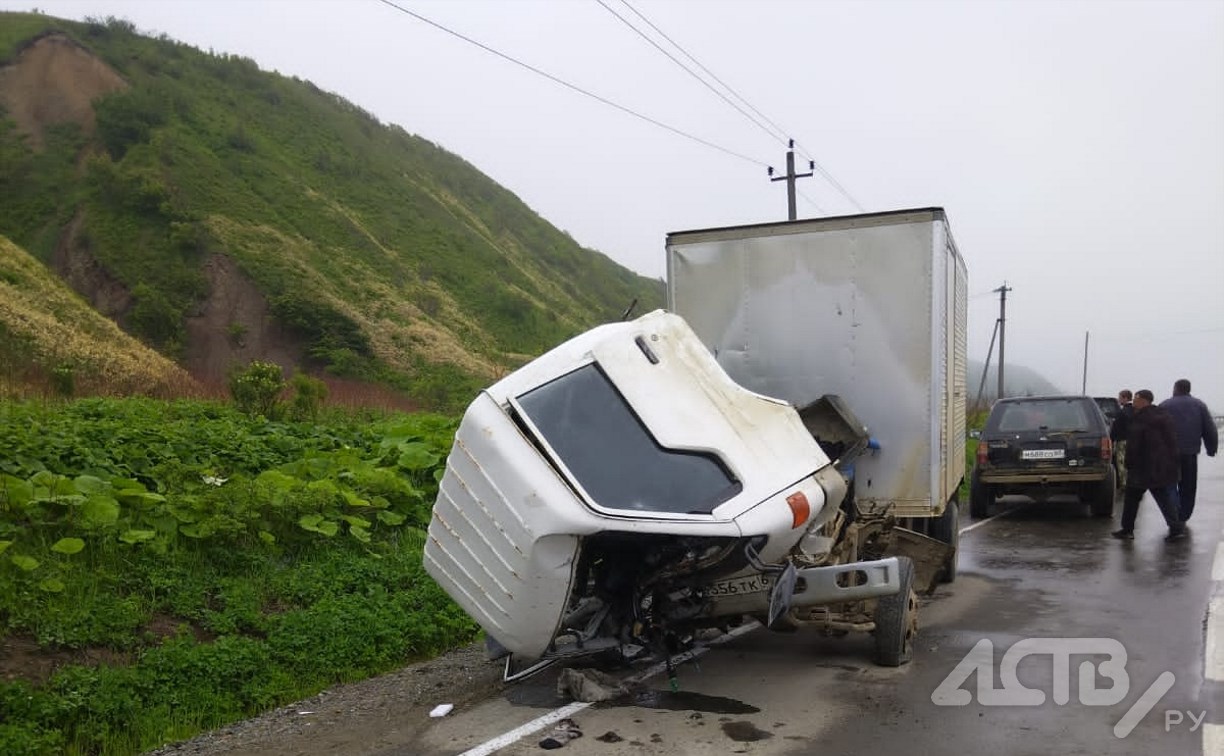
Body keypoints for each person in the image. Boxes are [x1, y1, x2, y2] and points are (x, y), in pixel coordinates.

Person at [1112, 389, 1185, 542]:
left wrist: (1128, 463)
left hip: (1142, 467)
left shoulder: (1140, 419)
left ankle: (1127, 530)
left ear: (1144, 400)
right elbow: (1173, 440)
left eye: (1137, 398)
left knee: (1132, 498)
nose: (1134, 401)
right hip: (1162, 466)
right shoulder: (1164, 416)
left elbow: (1134, 445)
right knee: (1163, 497)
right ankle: (1176, 528)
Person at [1160, 379, 1218, 522]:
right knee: (1188, 486)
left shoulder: (1164, 405)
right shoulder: (1199, 405)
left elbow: (1154, 429)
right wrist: (1211, 448)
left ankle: (1173, 514)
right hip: (1190, 453)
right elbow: (1209, 429)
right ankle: (1183, 515)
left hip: (1168, 452)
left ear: (1175, 388)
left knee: (1169, 484)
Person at [1110, 389, 1134, 489]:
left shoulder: (1122, 412)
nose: (1118, 399)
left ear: (1125, 398)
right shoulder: (1135, 411)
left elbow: (1116, 428)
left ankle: (1124, 484)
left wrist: (1111, 439)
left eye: (1120, 397)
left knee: (1121, 463)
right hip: (1133, 440)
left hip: (1122, 441)